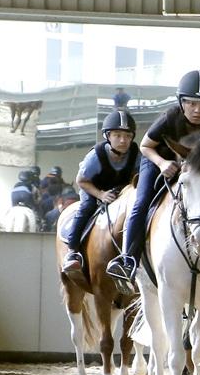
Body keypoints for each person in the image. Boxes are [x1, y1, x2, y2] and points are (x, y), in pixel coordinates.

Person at [106, 71, 200, 291]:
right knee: (141, 203)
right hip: (157, 162)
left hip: (192, 171)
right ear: (181, 102)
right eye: (191, 103)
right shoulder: (169, 117)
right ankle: (128, 262)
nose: (197, 110)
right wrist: (162, 163)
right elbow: (144, 146)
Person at [60, 111, 140, 275]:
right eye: (117, 135)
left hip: (119, 191)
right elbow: (81, 180)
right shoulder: (96, 156)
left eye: (127, 135)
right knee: (86, 208)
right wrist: (101, 195)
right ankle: (72, 251)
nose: (123, 140)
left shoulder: (135, 154)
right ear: (108, 136)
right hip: (93, 188)